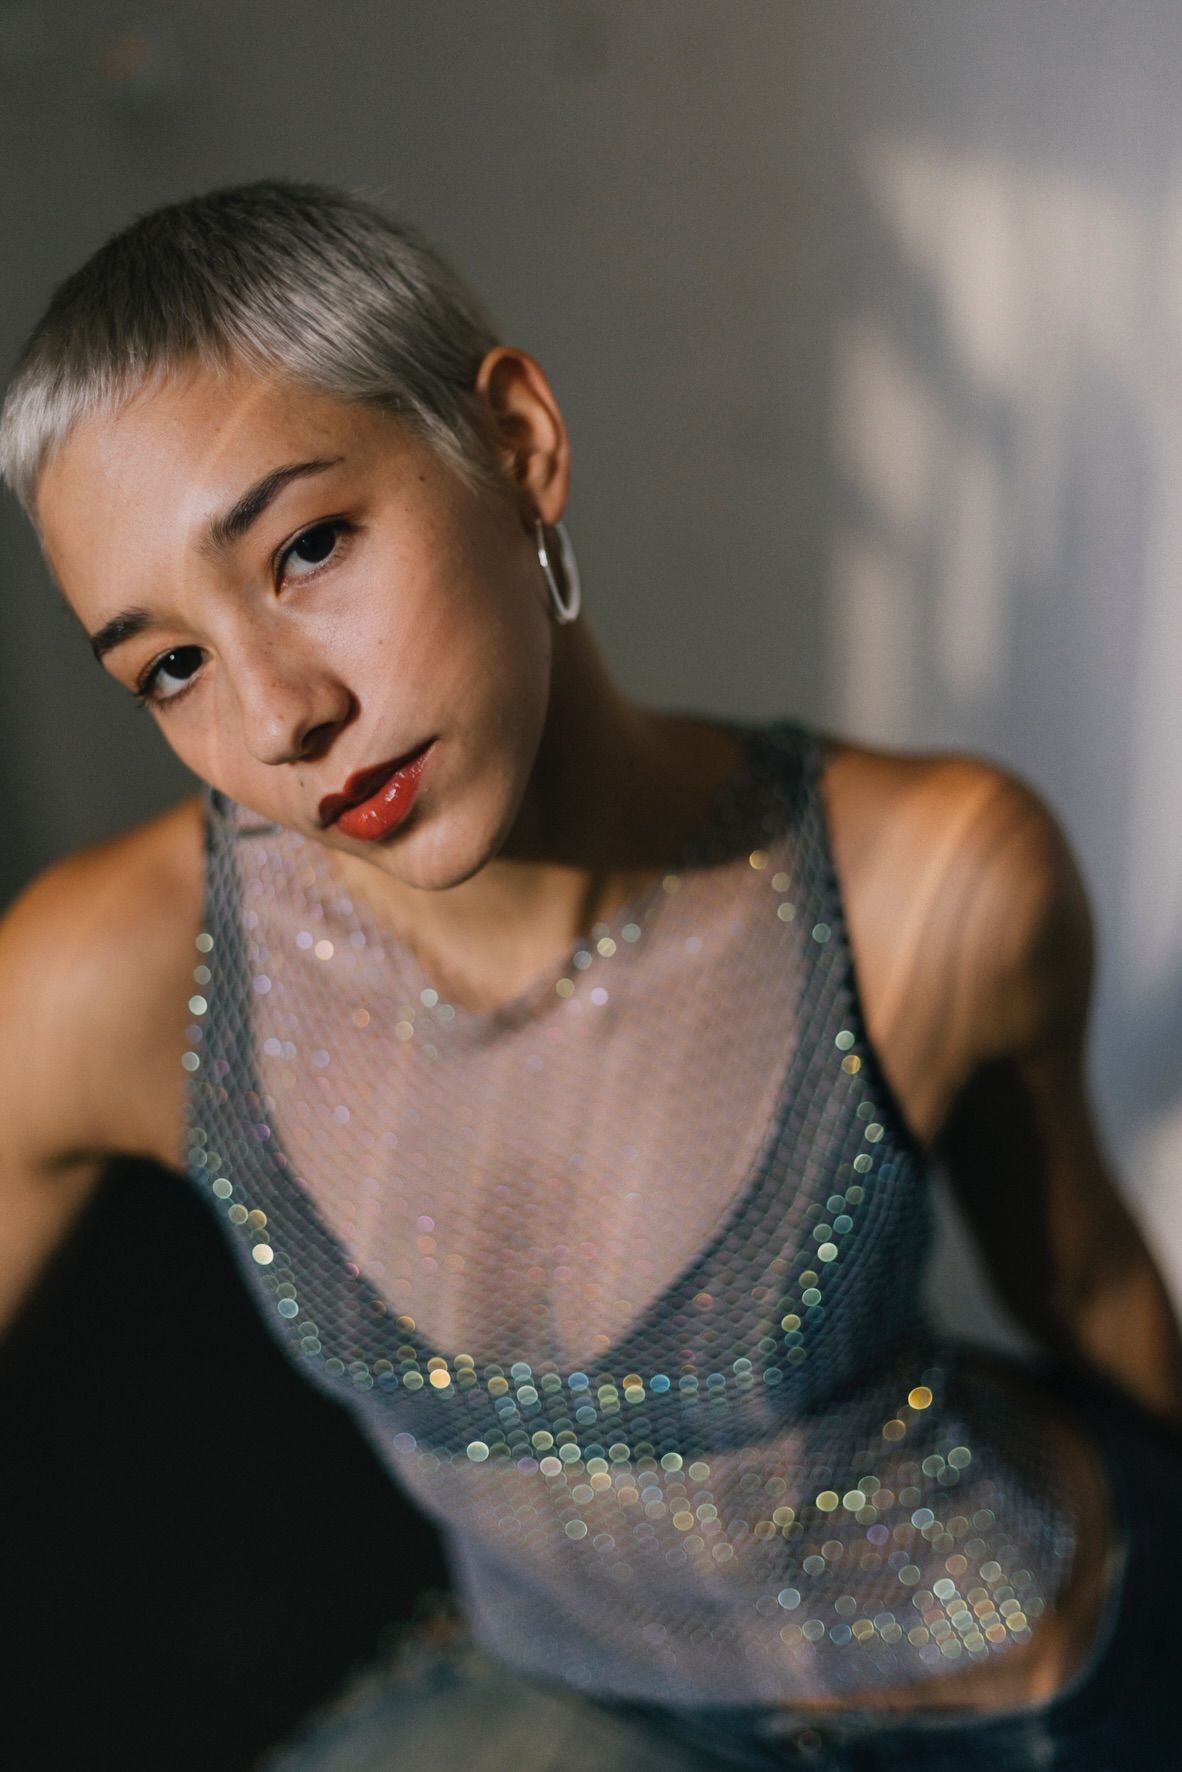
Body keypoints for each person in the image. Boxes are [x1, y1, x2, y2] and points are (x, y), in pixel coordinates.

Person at [1, 180, 1180, 1771]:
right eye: (172, 665)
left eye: (309, 546)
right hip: (584, 1701)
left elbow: (1090, 1287)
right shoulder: (112, 981)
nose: (275, 714)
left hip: (1040, 1692)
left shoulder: (934, 882)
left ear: (516, 446)